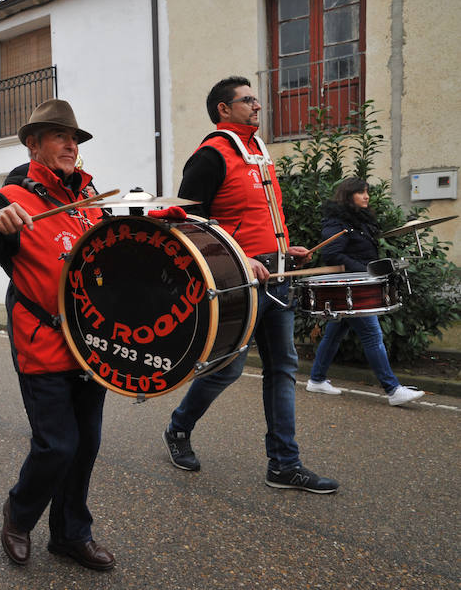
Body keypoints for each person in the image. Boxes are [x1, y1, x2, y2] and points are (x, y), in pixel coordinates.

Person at [0, 99, 116, 570]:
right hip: (41, 340)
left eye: (75, 138)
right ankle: (18, 515)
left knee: (86, 443)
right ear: (33, 143)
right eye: (60, 136)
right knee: (57, 445)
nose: (71, 145)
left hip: (90, 344)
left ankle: (70, 535)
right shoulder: (12, 198)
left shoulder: (89, 200)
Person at [162, 76, 339, 494]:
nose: (257, 106)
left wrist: (284, 247)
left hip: (277, 273)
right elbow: (189, 225)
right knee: (228, 368)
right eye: (247, 101)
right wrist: (242, 258)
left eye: (256, 100)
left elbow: (260, 216)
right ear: (224, 109)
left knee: (283, 367)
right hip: (240, 279)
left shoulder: (259, 153)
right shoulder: (209, 156)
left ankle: (283, 464)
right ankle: (178, 428)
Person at [306, 177, 425, 406]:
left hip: (359, 282)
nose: (366, 196)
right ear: (348, 195)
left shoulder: (360, 221)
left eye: (367, 192)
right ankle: (392, 390)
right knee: (371, 334)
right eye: (361, 192)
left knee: (334, 334)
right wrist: (366, 270)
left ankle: (317, 379)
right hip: (351, 285)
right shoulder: (337, 221)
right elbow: (332, 255)